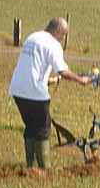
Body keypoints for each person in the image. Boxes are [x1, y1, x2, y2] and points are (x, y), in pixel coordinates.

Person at [9, 17, 91, 169]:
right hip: (35, 93)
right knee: (43, 129)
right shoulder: (53, 44)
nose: (62, 39)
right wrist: (81, 80)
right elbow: (64, 72)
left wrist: (50, 80)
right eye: (63, 35)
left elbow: (32, 67)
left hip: (17, 90)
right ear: (59, 32)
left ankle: (30, 167)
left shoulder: (32, 37)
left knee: (31, 126)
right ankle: (44, 169)